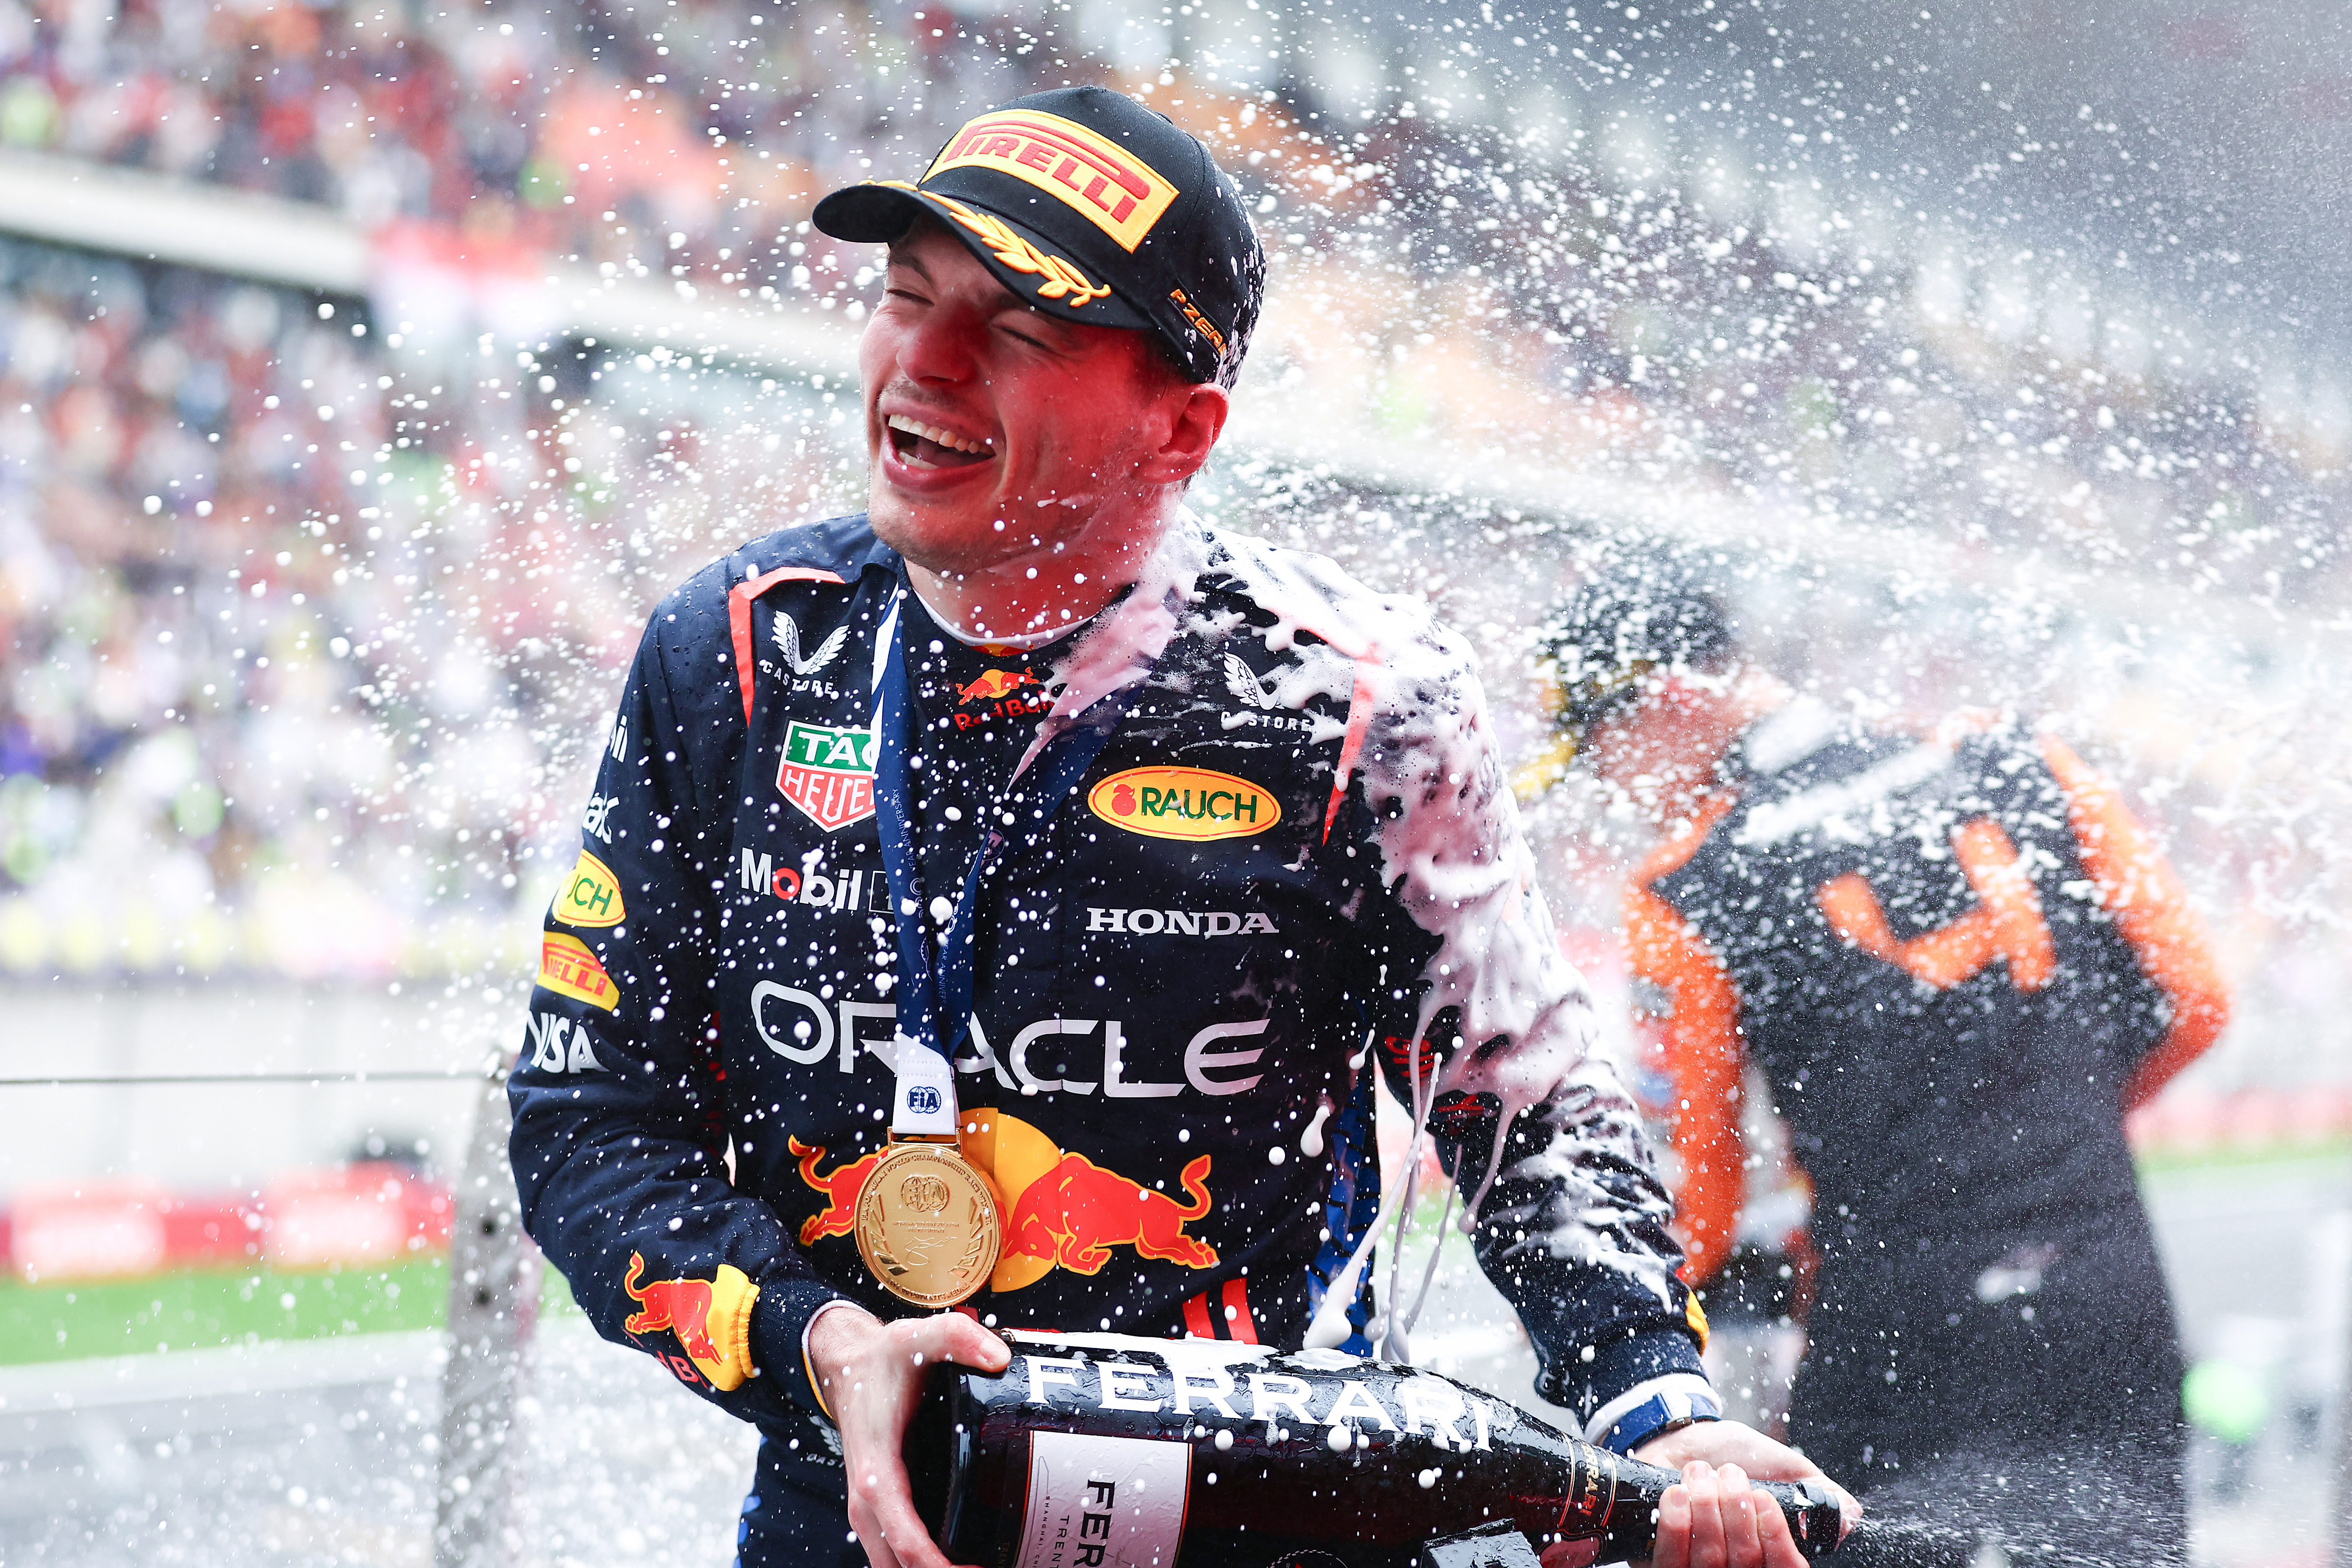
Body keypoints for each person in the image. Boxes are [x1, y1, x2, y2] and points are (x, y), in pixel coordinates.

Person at [509, 87, 1849, 1568]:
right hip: (858, 1508)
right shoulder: (743, 649)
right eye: (906, 296)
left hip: (1267, 1513)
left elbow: (1527, 1107)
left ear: (1183, 427)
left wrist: (1658, 1404)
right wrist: (815, 1337)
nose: (927, 361)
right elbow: (589, 1120)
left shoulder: (1358, 707)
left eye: (1017, 330)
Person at [1528, 564, 2229, 1556]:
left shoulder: (1686, 884)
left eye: (1602, 749)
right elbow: (2196, 1004)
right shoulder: (2022, 760)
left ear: (1672, 699)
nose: (1610, 783)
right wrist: (2047, 1134)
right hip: (2099, 1284)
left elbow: (1696, 1203)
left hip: (1899, 1323)